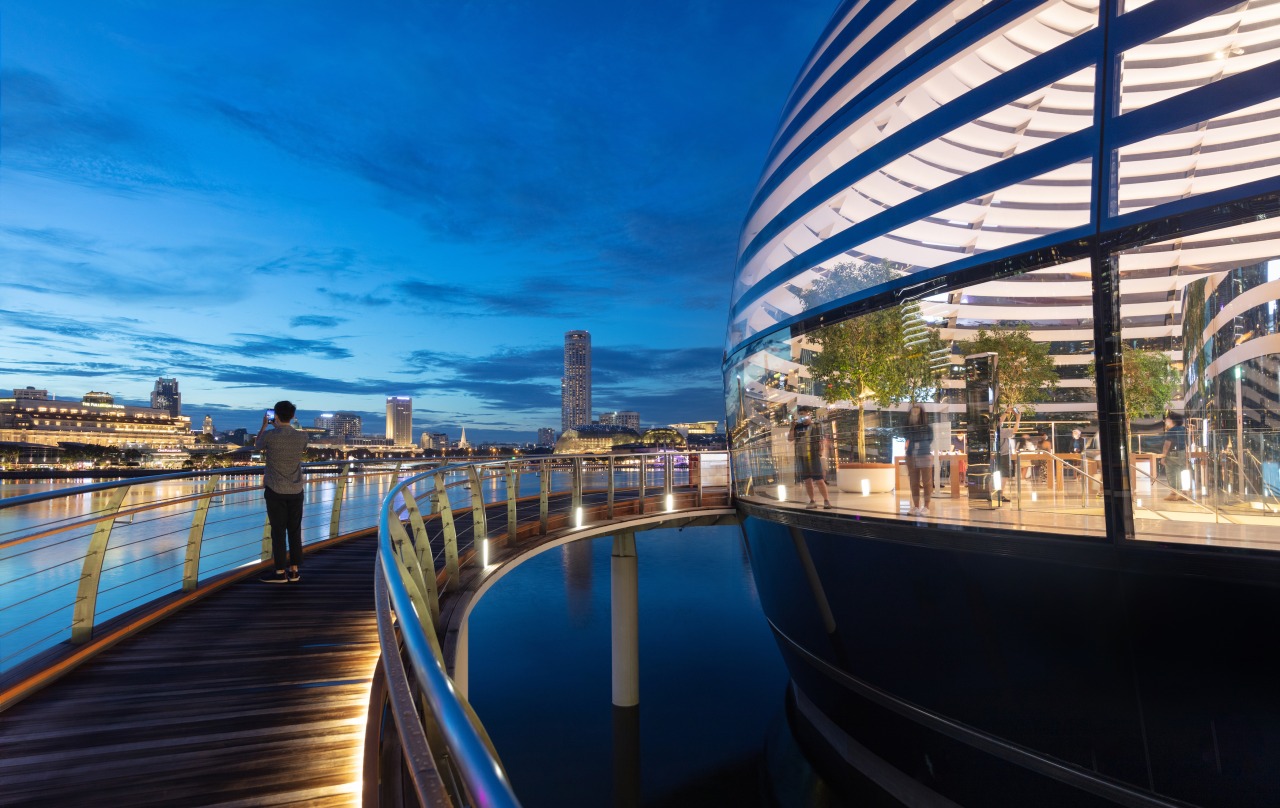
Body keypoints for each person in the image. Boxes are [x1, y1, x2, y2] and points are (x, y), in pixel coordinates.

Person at [256, 400, 309, 583]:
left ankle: (279, 572)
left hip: (275, 489)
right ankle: (294, 571)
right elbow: (301, 447)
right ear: (293, 416)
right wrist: (291, 424)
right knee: (294, 530)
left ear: (275, 416)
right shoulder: (303, 436)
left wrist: (264, 425)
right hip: (296, 489)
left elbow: (257, 445)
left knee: (278, 531)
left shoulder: (270, 435)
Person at [788, 406, 832, 509]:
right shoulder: (797, 427)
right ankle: (812, 500)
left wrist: (820, 454)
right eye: (800, 414)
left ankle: (826, 500)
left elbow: (822, 441)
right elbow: (790, 439)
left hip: (814, 455)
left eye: (803, 413)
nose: (802, 416)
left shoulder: (816, 425)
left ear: (809, 413)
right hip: (801, 456)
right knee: (807, 480)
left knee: (819, 479)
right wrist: (792, 427)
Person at [903, 404, 933, 516]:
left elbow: (930, 439)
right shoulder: (908, 425)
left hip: (924, 454)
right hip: (911, 455)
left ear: (921, 411)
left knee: (927, 482)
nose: (915, 410)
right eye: (913, 408)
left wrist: (922, 447)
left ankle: (926, 506)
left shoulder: (927, 427)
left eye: (917, 408)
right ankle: (916, 506)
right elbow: (905, 435)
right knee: (914, 482)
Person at [1159, 412, 1187, 501]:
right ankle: (1184, 493)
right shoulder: (1184, 429)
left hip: (1172, 454)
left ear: (1171, 420)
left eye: (1167, 419)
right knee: (1182, 471)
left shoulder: (1171, 431)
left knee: (1171, 472)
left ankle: (1173, 493)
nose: (1166, 421)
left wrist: (1163, 456)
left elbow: (1167, 444)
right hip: (1183, 453)